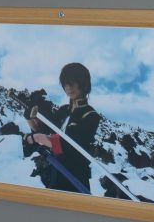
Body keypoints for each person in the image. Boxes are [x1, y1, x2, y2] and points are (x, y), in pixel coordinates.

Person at [22, 62, 101, 194]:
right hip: (55, 172)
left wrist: (38, 138)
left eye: (72, 82)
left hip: (75, 177)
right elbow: (43, 132)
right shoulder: (63, 111)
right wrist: (30, 118)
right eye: (65, 83)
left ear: (84, 84)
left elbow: (69, 147)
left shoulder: (91, 115)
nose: (68, 87)